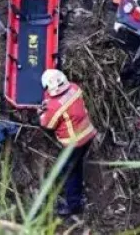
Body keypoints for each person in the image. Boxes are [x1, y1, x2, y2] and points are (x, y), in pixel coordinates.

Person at [36, 69, 97, 217]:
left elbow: (47, 124)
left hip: (73, 144)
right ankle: (78, 191)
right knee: (77, 166)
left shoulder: (54, 105)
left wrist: (41, 113)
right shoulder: (75, 88)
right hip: (88, 135)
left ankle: (73, 205)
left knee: (68, 172)